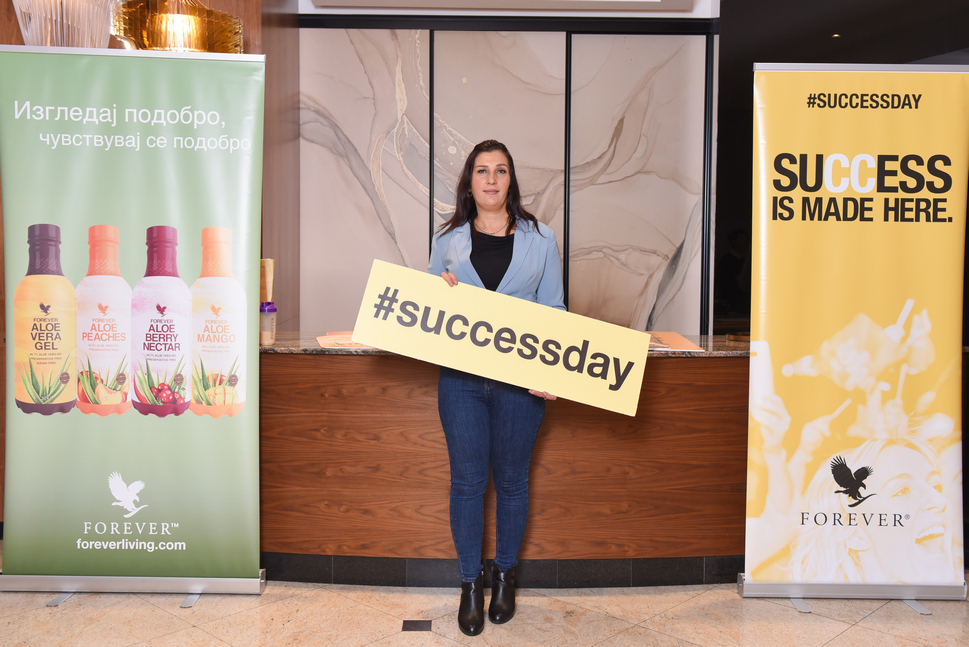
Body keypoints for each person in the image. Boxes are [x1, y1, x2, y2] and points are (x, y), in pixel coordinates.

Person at [427, 140, 565, 636]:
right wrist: (438, 292)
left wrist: (554, 373)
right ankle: (470, 583)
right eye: (482, 171)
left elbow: (553, 309)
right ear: (469, 182)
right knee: (466, 483)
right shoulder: (448, 240)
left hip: (520, 383)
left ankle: (505, 576)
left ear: (511, 180)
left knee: (511, 482)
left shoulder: (541, 238)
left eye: (500, 170)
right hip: (461, 381)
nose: (491, 179)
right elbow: (426, 308)